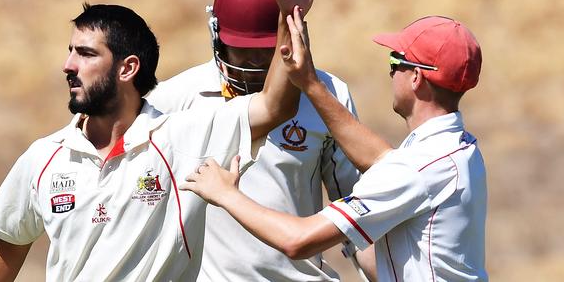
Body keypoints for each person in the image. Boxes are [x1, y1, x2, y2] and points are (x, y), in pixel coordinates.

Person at [0, 0, 327, 282]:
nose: (68, 65)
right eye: (70, 51)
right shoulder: (43, 157)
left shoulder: (183, 138)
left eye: (86, 54)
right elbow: (8, 248)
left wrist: (288, 18)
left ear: (128, 68)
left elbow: (275, 106)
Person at [181, 14, 488, 281]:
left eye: (396, 61)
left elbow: (299, 241)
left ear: (417, 77)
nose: (391, 72)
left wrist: (226, 194)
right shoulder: (458, 147)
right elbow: (381, 159)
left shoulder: (417, 169)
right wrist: (310, 83)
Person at [146, 0, 362, 282]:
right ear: (216, 33)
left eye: (266, 49)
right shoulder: (173, 99)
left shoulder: (328, 94)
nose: (257, 63)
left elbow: (357, 213)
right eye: (244, 49)